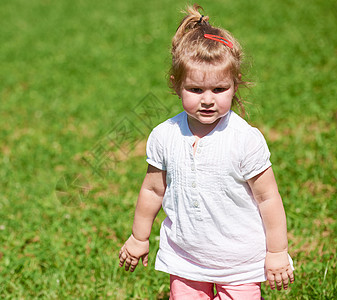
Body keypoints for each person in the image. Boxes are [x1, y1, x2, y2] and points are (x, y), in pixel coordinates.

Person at [118, 3, 295, 299]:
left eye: (219, 89)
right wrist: (139, 237)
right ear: (176, 85)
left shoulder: (244, 139)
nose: (208, 100)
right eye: (196, 90)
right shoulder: (165, 136)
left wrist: (277, 252)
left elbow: (268, 197)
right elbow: (152, 190)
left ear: (235, 86)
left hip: (239, 263)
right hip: (186, 259)